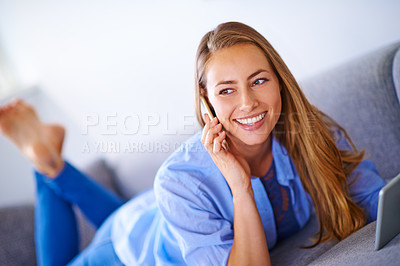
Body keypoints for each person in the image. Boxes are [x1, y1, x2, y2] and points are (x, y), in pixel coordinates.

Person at [0, 22, 386, 265]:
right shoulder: (182, 177)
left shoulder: (311, 134)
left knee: (135, 214)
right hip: (127, 252)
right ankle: (47, 166)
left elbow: (375, 199)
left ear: (280, 80)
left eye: (259, 80)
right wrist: (239, 184)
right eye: (227, 90)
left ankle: (52, 164)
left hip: (158, 214)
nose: (248, 103)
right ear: (206, 101)